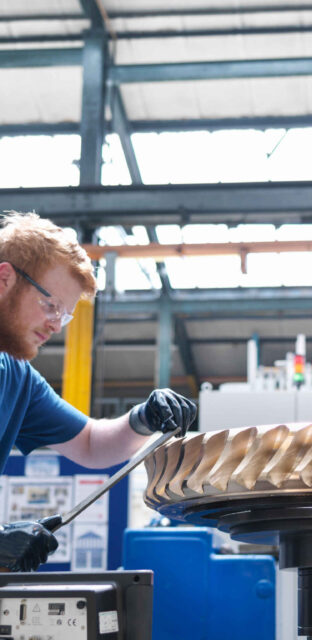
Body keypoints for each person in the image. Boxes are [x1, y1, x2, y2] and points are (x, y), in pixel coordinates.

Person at [0, 212, 197, 571]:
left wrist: (144, 418)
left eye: (64, 315)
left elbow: (91, 443)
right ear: (4, 279)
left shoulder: (17, 378)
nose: (55, 326)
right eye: (50, 306)